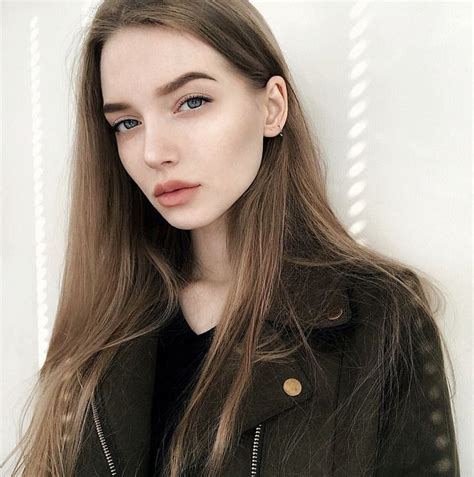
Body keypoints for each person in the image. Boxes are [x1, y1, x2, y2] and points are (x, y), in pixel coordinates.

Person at [3, 1, 460, 476]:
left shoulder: (378, 317)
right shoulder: (108, 322)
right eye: (127, 123)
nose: (154, 151)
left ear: (272, 107)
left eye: (192, 101)